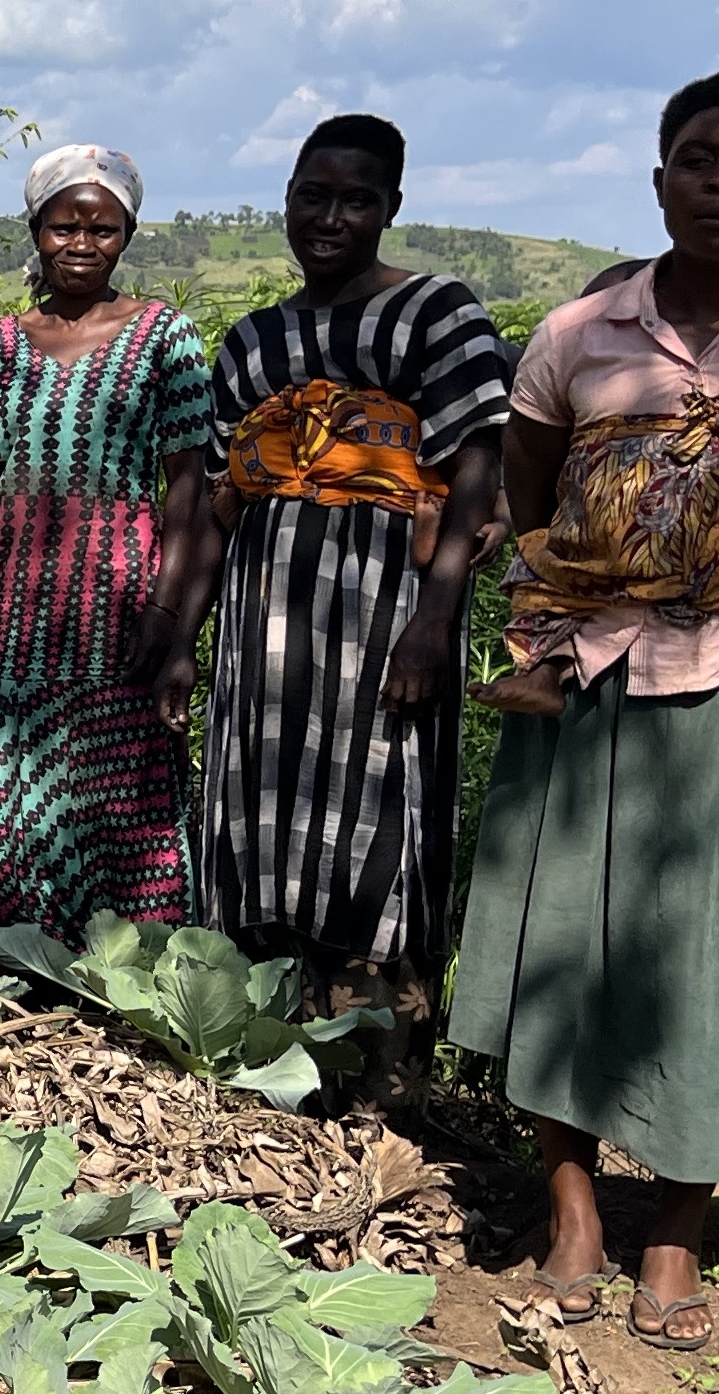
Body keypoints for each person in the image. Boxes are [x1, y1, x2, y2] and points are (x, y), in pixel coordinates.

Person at [450, 70, 719, 1346]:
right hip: (587, 668)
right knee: (561, 940)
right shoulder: (579, 331)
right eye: (700, 157)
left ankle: (679, 1228)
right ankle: (576, 1210)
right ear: (659, 178)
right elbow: (533, 491)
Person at [197, 116, 507, 1065]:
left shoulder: (435, 315)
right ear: (284, 199)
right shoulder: (252, 342)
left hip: (383, 612)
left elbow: (474, 474)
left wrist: (432, 621)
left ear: (391, 208)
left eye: (356, 199)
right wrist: (184, 634)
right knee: (259, 801)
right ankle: (264, 1047)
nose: (329, 218)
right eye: (311, 195)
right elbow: (217, 502)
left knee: (377, 806)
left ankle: (380, 1068)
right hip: (262, 614)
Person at [0, 145, 213, 940]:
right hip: (16, 607)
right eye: (63, 227)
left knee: (116, 793)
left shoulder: (164, 338)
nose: (80, 245)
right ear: (35, 230)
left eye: (102, 229)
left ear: (126, 236)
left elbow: (186, 486)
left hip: (122, 603)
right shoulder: (0, 346)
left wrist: (169, 617)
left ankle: (116, 968)